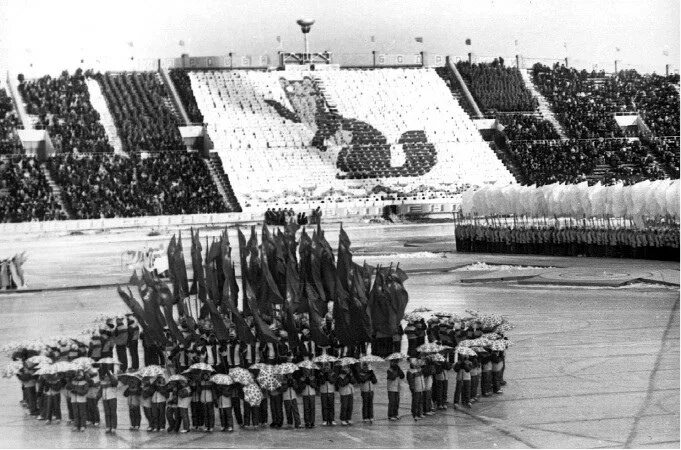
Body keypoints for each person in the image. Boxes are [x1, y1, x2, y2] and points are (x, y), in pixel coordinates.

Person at [100, 367, 118, 434]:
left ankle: (113, 427)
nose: (106, 377)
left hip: (112, 398)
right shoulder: (103, 381)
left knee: (113, 413)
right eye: (105, 376)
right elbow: (100, 390)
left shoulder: (113, 381)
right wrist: (97, 397)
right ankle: (108, 426)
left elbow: (115, 382)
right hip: (105, 399)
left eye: (107, 376)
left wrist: (109, 374)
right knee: (107, 413)